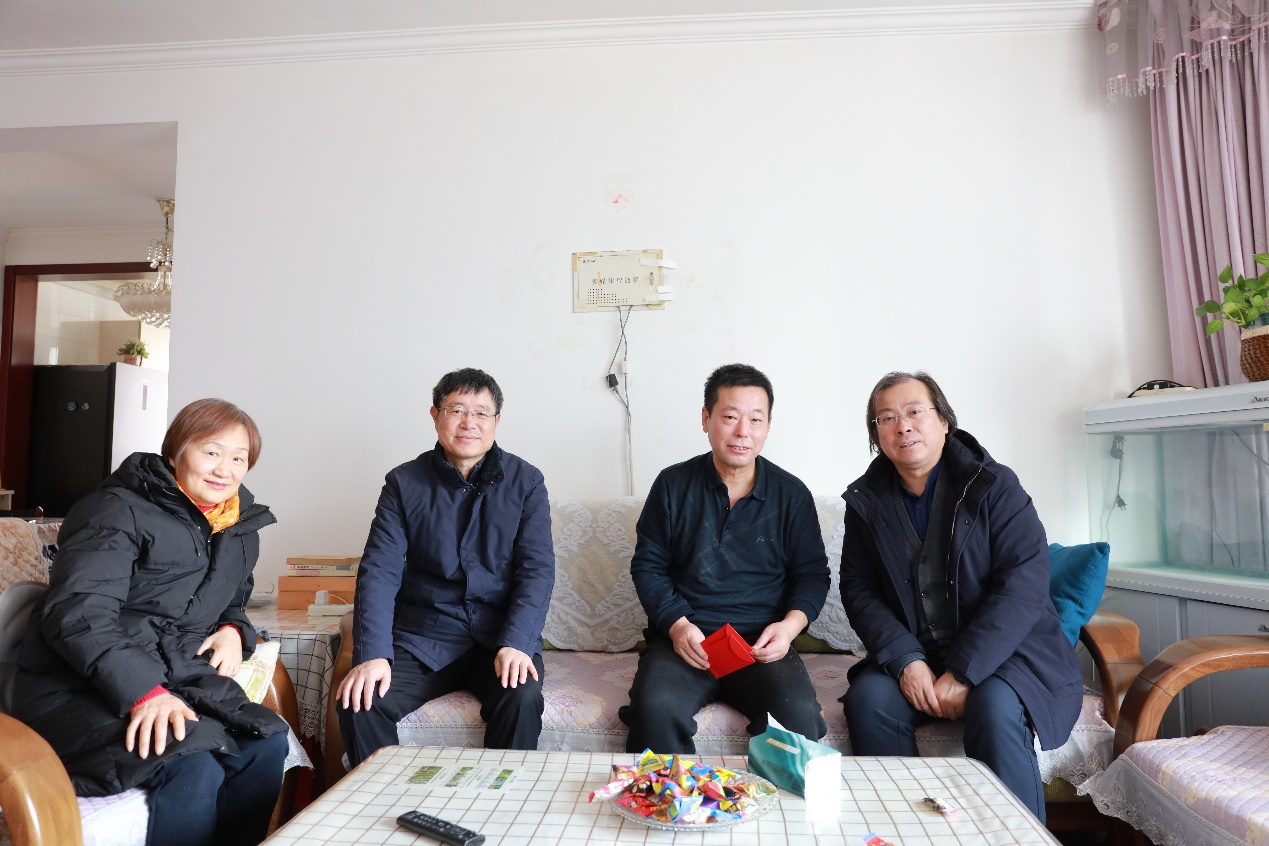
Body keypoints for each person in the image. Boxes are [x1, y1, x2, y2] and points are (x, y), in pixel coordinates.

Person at [12, 398, 289, 846]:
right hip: (77, 685)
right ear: (176, 452)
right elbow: (77, 612)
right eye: (211, 452)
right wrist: (145, 691)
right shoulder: (114, 510)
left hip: (175, 675)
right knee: (191, 761)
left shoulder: (237, 528)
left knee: (264, 744)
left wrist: (234, 630)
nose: (224, 469)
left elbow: (233, 598)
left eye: (239, 458)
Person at [839, 371, 1082, 822]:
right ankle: (905, 831)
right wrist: (906, 661)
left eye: (914, 412)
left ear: (944, 421)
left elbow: (1023, 585)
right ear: (877, 435)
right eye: (886, 418)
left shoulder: (994, 486)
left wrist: (964, 671)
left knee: (994, 706)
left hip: (1006, 654)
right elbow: (859, 589)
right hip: (917, 652)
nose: (902, 426)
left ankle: (1014, 836)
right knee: (869, 700)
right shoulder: (866, 501)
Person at [337, 367, 555, 764]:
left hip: (498, 637)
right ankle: (386, 798)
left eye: (481, 412)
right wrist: (372, 654)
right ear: (435, 415)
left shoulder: (526, 482)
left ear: (496, 421)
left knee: (521, 697)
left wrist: (517, 643)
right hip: (425, 637)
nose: (469, 422)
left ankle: (501, 798)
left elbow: (537, 571)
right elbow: (379, 571)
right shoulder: (404, 483)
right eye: (456, 410)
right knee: (362, 701)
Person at [619, 363, 830, 753]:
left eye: (755, 419)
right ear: (706, 418)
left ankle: (771, 797)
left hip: (761, 645)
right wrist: (678, 627)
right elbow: (648, 567)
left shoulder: (791, 495)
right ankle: (670, 796)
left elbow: (812, 575)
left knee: (798, 716)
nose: (743, 431)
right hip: (687, 640)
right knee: (655, 709)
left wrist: (788, 629)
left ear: (768, 426)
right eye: (730, 417)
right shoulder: (672, 485)